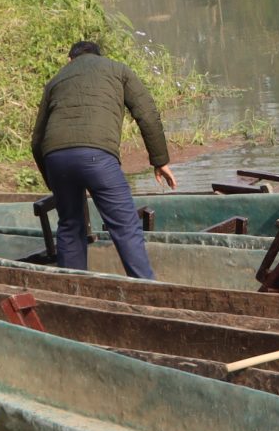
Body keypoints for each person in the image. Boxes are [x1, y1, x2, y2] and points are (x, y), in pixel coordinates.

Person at [29, 40, 177, 277]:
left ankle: (73, 295)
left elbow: (37, 141)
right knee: (125, 227)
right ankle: (146, 289)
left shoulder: (56, 80)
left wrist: (54, 181)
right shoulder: (118, 69)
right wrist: (160, 160)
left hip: (56, 159)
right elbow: (147, 114)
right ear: (98, 55)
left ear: (71, 60)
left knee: (69, 226)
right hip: (97, 157)